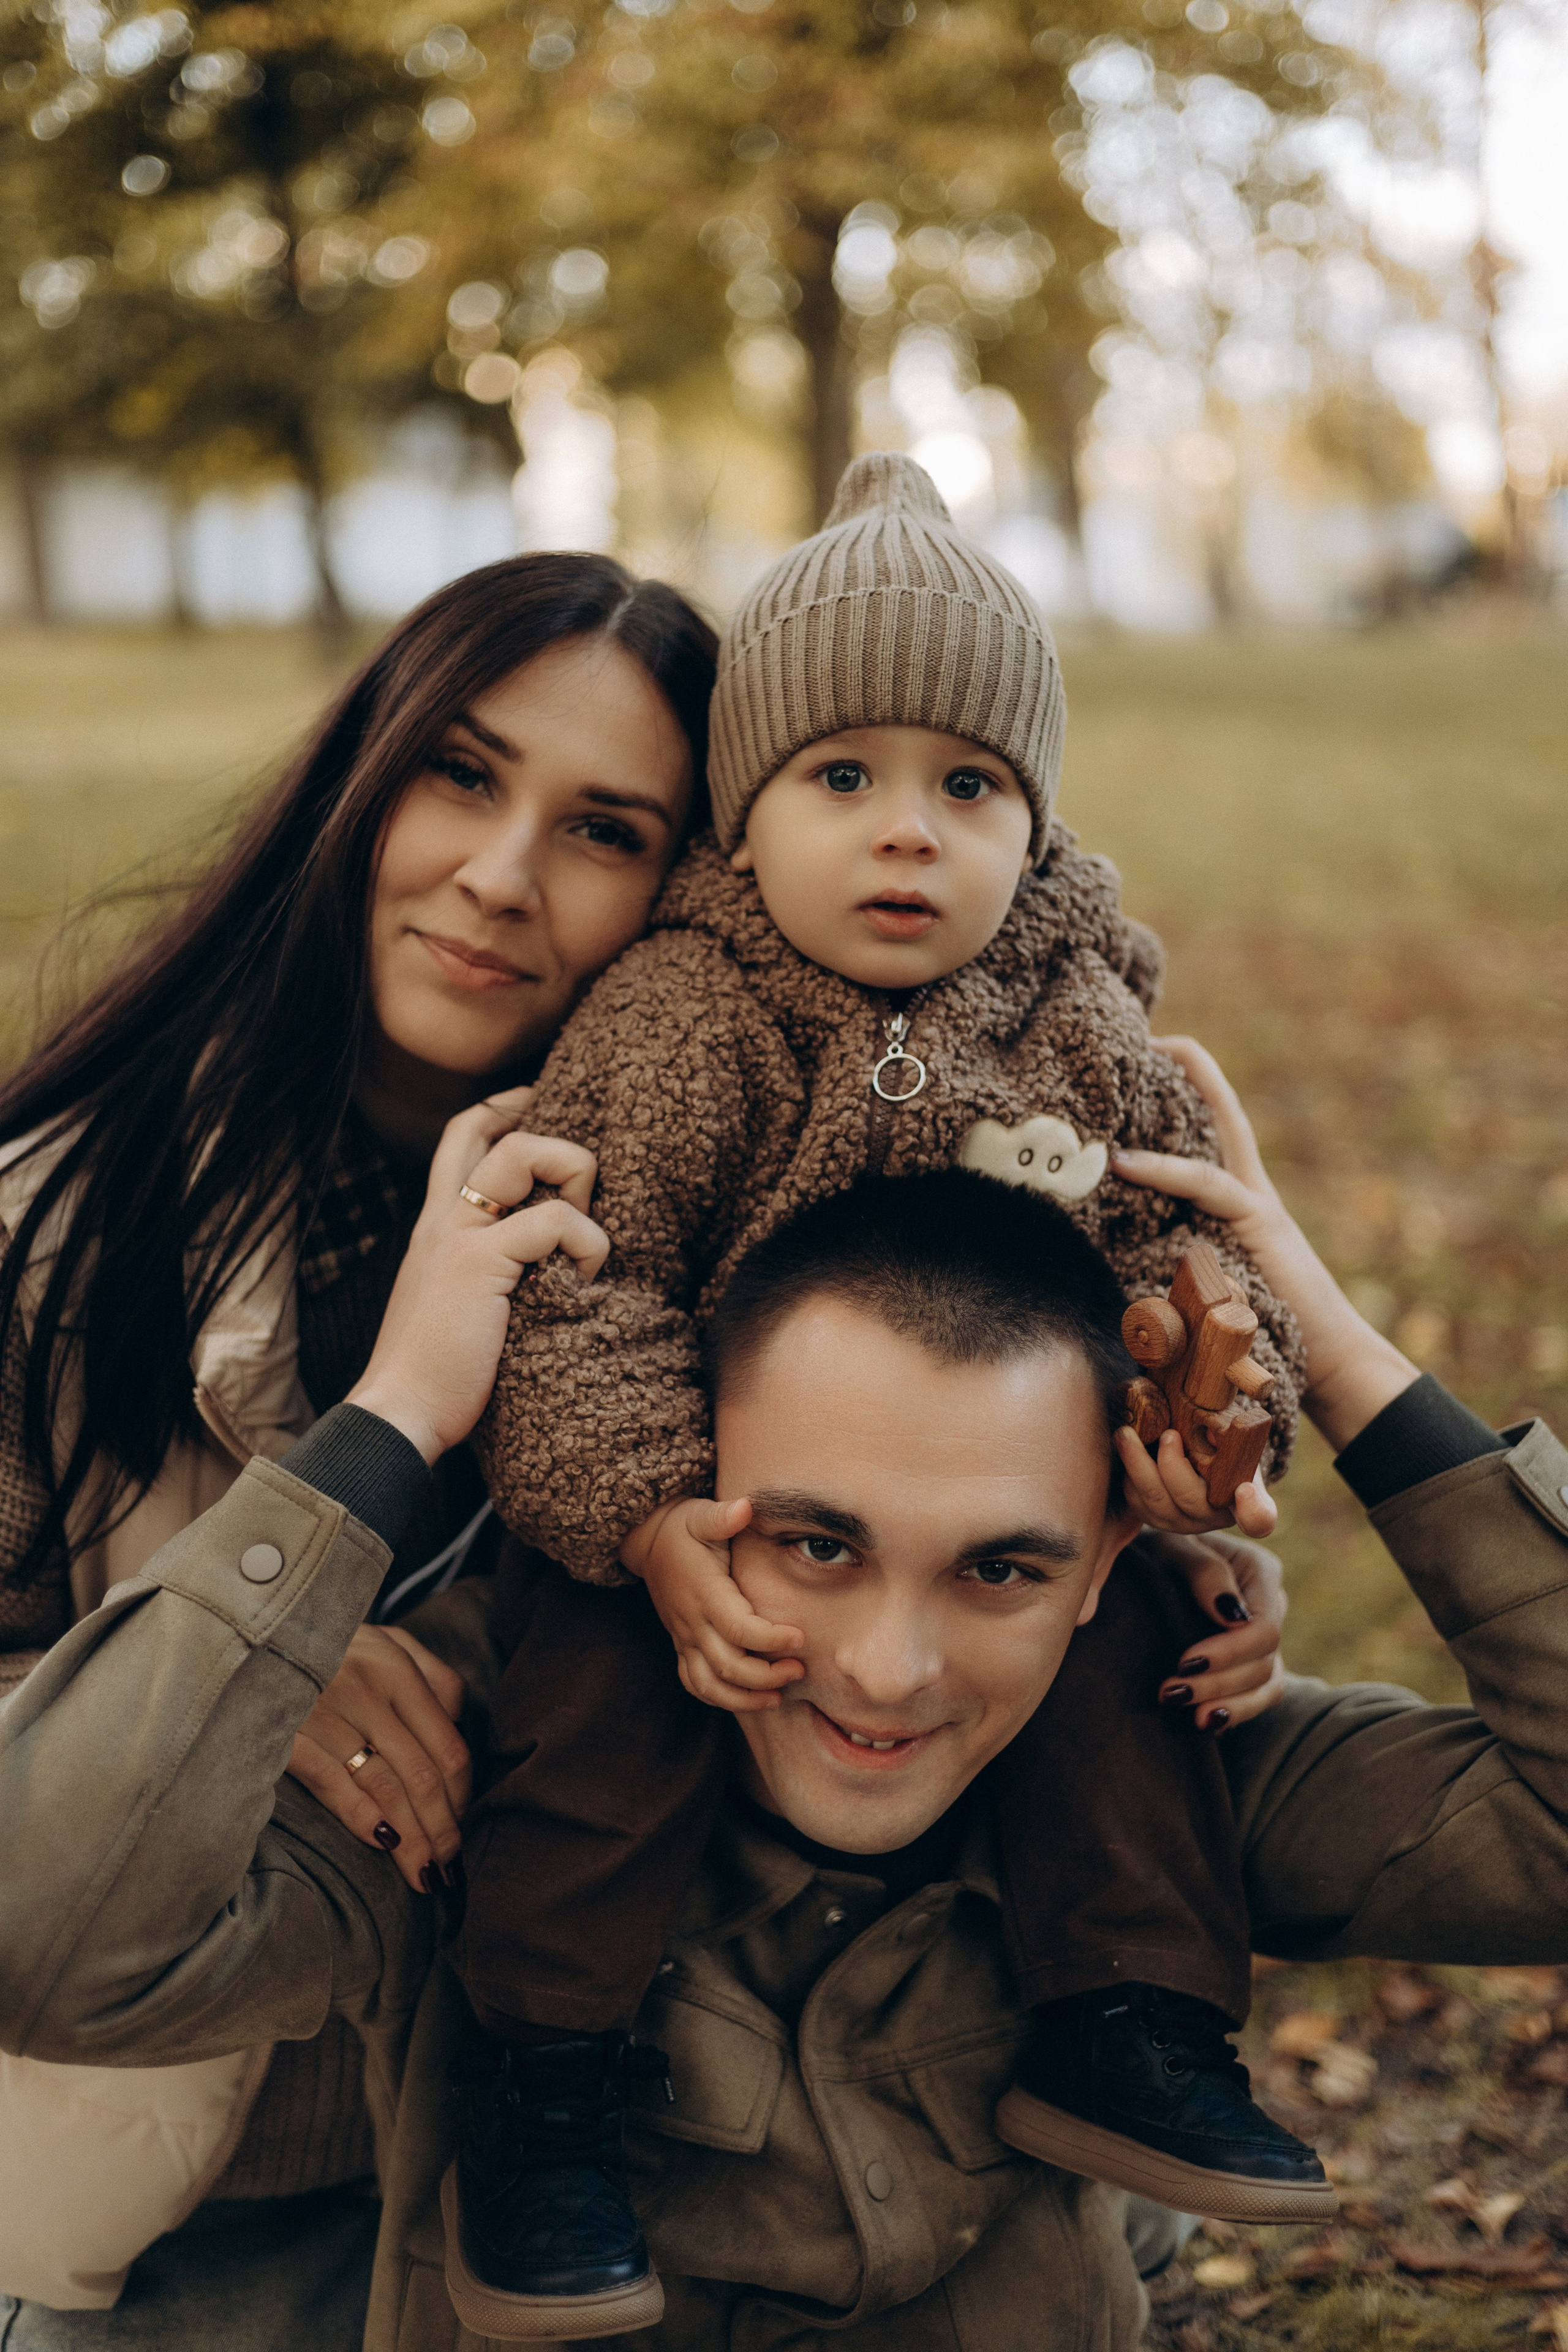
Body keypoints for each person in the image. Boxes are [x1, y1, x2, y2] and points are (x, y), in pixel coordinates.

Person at [4, 1045, 1567, 2352]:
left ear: (1105, 1565)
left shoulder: (1161, 1736)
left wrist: (1327, 1346)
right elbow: (47, 1953)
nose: (888, 1669)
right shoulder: (482, 1744)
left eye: (998, 1571)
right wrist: (391, 1423)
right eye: (816, 1545)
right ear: (693, 1491)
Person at [447, 449, 1315, 2331]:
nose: (908, 833)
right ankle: (544, 2089)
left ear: (1038, 827)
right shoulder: (681, 1019)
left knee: (1131, 1667)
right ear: (744, 815)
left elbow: (1191, 1263)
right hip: (717, 1510)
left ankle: (1133, 2021)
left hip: (991, 1516)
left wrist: (1200, 1462)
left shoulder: (1083, 1029)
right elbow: (583, 1282)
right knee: (591, 1703)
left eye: (968, 787)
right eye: (843, 779)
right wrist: (646, 1516)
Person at [0, 551, 718, 2342]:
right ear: (362, 773)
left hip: (592, 2197)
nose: (501, 874)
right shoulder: (55, 1231)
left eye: (605, 830)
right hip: (175, 2214)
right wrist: (250, 1645)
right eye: (462, 774)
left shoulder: (713, 1247)